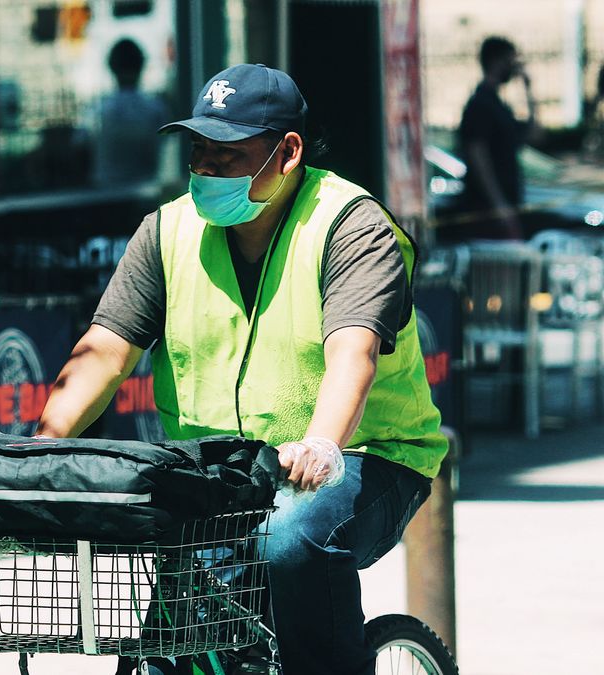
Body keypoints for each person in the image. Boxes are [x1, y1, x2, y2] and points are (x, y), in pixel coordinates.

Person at [35, 64, 448, 675]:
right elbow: (107, 348)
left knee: (292, 540)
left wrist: (323, 442)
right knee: (174, 643)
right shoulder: (167, 230)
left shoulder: (351, 225)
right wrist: (44, 448)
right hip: (219, 467)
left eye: (226, 156)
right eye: (197, 152)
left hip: (365, 455)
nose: (205, 171)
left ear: (287, 153)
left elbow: (352, 352)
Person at [455, 36, 542, 240]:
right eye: (511, 60)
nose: (515, 66)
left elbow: (536, 136)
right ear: (496, 61)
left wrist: (529, 91)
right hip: (487, 209)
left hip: (508, 203)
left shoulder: (500, 106)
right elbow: (477, 155)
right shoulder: (480, 104)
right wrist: (498, 205)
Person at [86, 38, 170, 186]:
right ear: (142, 66)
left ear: (111, 67)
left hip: (103, 195)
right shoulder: (156, 110)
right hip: (147, 194)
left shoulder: (97, 111)